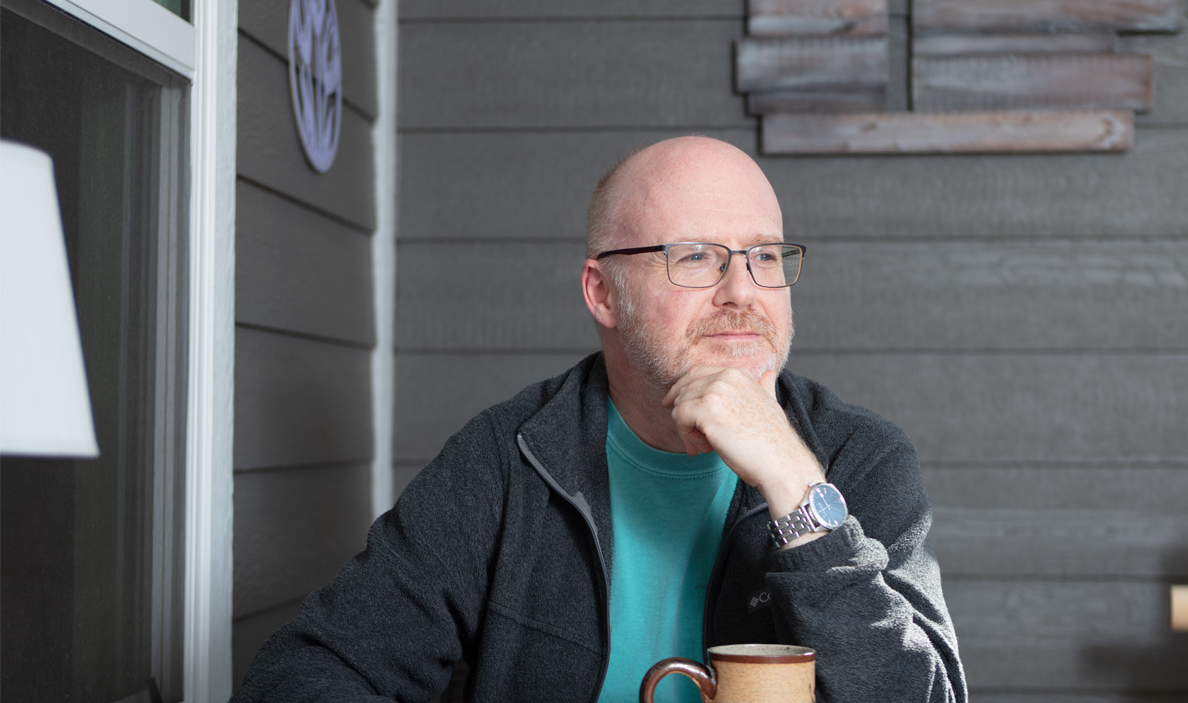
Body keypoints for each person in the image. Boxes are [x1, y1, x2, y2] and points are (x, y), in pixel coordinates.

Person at [232, 136, 967, 702]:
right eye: (697, 257)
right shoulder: (509, 460)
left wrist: (801, 497)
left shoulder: (854, 459)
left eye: (765, 256)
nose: (743, 291)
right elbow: (305, 674)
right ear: (603, 293)